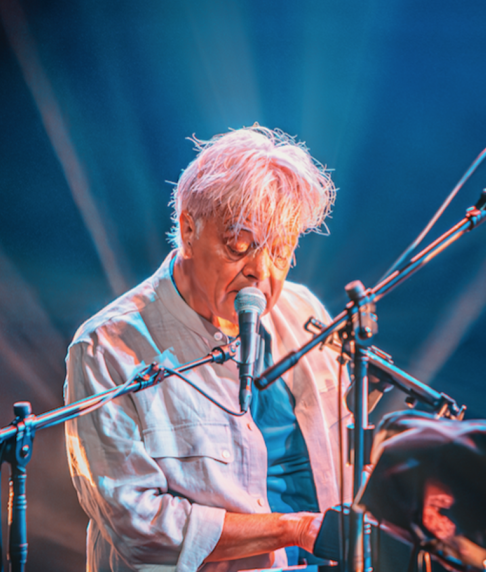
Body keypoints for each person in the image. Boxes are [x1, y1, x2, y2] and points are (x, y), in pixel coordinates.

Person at [64, 126, 349, 571]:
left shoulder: (305, 313)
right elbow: (137, 526)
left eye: (279, 251)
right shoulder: (107, 347)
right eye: (240, 245)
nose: (260, 271)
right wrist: (293, 529)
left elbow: (350, 452)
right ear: (188, 229)